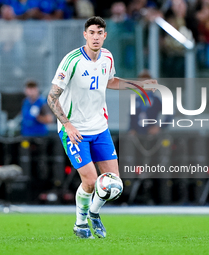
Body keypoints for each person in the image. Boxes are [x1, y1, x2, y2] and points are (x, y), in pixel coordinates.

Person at [47, 16, 157, 239]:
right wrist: (67, 125)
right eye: (92, 33)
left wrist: (138, 86)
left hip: (99, 127)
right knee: (89, 181)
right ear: (85, 35)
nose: (96, 37)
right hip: (74, 129)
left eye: (100, 33)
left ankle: (94, 214)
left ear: (105, 36)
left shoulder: (106, 57)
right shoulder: (72, 61)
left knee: (114, 185)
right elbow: (51, 97)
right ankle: (80, 224)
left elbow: (110, 81)